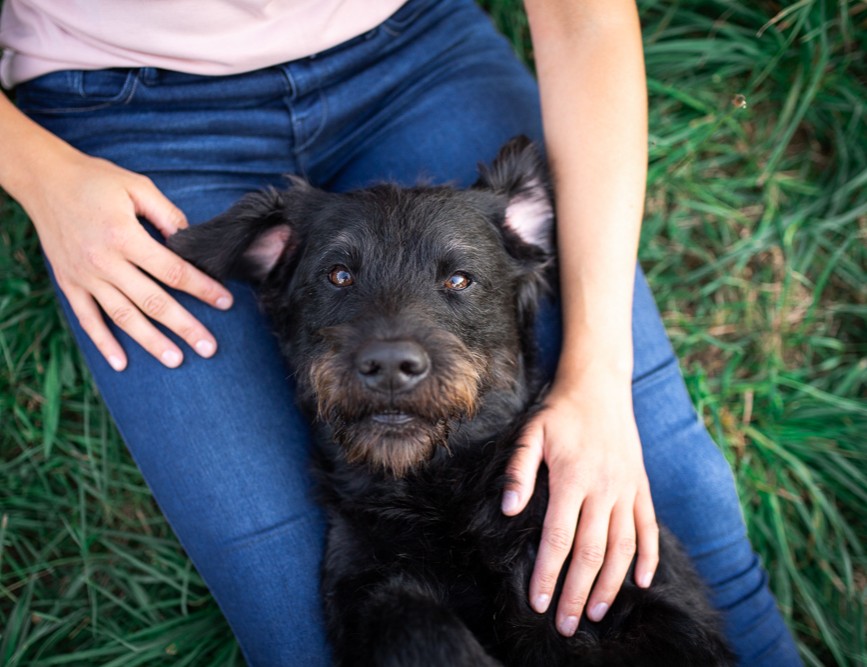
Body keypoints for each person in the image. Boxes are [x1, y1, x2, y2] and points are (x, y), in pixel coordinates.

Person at [0, 0, 801, 664]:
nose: (393, 356)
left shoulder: (518, 220)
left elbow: (584, 17)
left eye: (458, 283)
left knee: (672, 491)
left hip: (413, 54)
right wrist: (39, 175)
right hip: (124, 113)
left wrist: (595, 376)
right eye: (336, 280)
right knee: (297, 623)